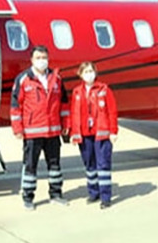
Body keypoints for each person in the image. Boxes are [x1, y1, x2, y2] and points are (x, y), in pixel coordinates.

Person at [10, 45, 71, 210]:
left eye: (44, 57)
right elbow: (16, 106)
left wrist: (65, 125)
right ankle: (28, 197)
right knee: (30, 166)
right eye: (38, 58)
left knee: (55, 165)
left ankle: (56, 194)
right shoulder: (23, 79)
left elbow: (64, 104)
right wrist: (18, 128)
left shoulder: (56, 78)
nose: (42, 61)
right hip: (33, 132)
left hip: (53, 131)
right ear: (31, 60)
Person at [69, 61, 118, 209]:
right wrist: (73, 133)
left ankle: (105, 197)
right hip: (84, 134)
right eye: (86, 72)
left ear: (95, 73)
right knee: (89, 164)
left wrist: (113, 131)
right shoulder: (77, 92)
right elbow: (73, 113)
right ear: (80, 74)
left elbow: (112, 111)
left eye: (91, 71)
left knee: (103, 165)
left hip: (101, 134)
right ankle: (93, 193)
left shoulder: (104, 89)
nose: (89, 74)